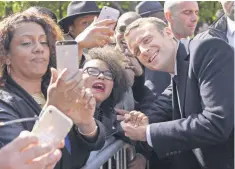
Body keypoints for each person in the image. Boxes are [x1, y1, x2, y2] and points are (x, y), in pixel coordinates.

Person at [121, 17, 234, 169]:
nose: (143, 51)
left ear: (168, 32)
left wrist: (147, 132)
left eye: (146, 40)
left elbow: (216, 123)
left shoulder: (206, 49)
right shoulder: (177, 72)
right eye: (136, 51)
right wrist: (132, 122)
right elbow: (158, 109)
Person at [0, 12, 106, 169]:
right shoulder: (3, 104)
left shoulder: (55, 89)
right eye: (26, 43)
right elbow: (31, 159)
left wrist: (86, 124)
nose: (38, 49)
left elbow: (95, 144)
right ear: (5, 56)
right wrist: (54, 110)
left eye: (43, 42)